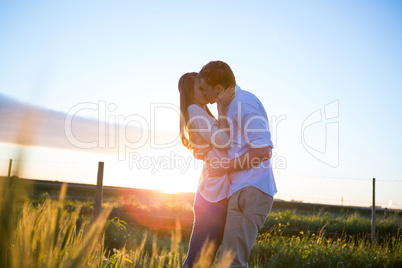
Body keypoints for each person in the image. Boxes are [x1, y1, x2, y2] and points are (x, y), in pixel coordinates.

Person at [195, 60, 277, 268]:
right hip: (241, 190)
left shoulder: (244, 103)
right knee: (227, 261)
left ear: (219, 89)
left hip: (250, 189)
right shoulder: (230, 106)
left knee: (232, 263)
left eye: (205, 89)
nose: (203, 94)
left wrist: (224, 167)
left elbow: (263, 150)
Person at [178, 72, 234, 267]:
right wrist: (221, 109)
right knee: (196, 259)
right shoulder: (194, 110)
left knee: (205, 259)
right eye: (200, 88)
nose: (204, 90)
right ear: (190, 92)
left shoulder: (200, 111)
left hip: (215, 193)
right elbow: (224, 140)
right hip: (211, 196)